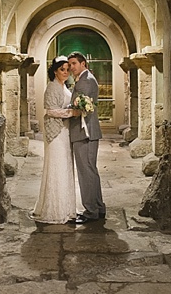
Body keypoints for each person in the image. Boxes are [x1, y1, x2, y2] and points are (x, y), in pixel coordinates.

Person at [30, 56, 81, 224]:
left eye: (67, 69)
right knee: (56, 167)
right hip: (55, 131)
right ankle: (54, 210)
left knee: (65, 166)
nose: (66, 72)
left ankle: (66, 208)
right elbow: (50, 111)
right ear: (54, 71)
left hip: (65, 130)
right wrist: (71, 113)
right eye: (62, 69)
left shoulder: (64, 86)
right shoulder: (52, 87)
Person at [67, 52, 106, 223]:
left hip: (85, 132)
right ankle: (98, 207)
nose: (71, 67)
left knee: (86, 172)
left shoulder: (85, 80)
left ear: (84, 64)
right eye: (70, 64)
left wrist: (65, 110)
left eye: (74, 63)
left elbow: (80, 107)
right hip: (86, 132)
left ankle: (91, 211)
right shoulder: (85, 78)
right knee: (91, 170)